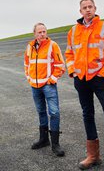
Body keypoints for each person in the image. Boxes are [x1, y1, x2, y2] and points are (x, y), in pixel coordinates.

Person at [65, 0, 104, 170]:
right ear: (80, 11)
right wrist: (73, 70)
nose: (88, 10)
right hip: (81, 79)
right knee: (87, 114)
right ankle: (93, 156)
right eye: (84, 7)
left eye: (90, 7)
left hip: (101, 78)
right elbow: (69, 53)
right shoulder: (73, 31)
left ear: (95, 8)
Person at [24, 22, 66, 157]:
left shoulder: (52, 45)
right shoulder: (30, 46)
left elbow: (60, 65)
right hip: (34, 86)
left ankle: (55, 144)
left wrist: (52, 79)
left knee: (54, 113)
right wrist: (29, 77)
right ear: (34, 34)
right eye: (39, 32)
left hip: (48, 85)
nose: (42, 34)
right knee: (41, 112)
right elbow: (26, 63)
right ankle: (44, 140)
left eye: (44, 32)